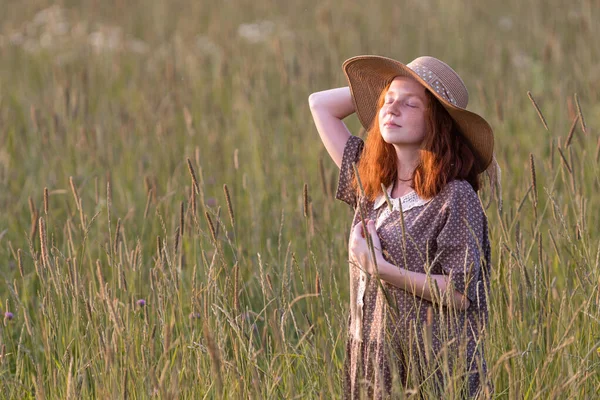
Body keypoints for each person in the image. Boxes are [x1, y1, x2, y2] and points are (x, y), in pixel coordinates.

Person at [308, 56, 498, 399]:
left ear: (438, 121)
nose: (392, 109)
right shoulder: (371, 183)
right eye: (387, 101)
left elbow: (461, 293)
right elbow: (319, 104)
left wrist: (381, 269)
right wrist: (381, 88)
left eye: (410, 103)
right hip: (370, 353)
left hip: (431, 362)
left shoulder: (454, 196)